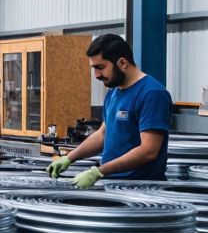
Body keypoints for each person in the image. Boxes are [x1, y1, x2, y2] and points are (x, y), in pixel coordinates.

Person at [48, 33, 171, 188]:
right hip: (111, 183)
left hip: (140, 190)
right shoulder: (113, 92)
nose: (97, 75)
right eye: (94, 68)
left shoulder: (151, 93)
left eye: (100, 67)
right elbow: (102, 134)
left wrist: (99, 171)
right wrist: (69, 158)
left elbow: (149, 150)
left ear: (122, 63)